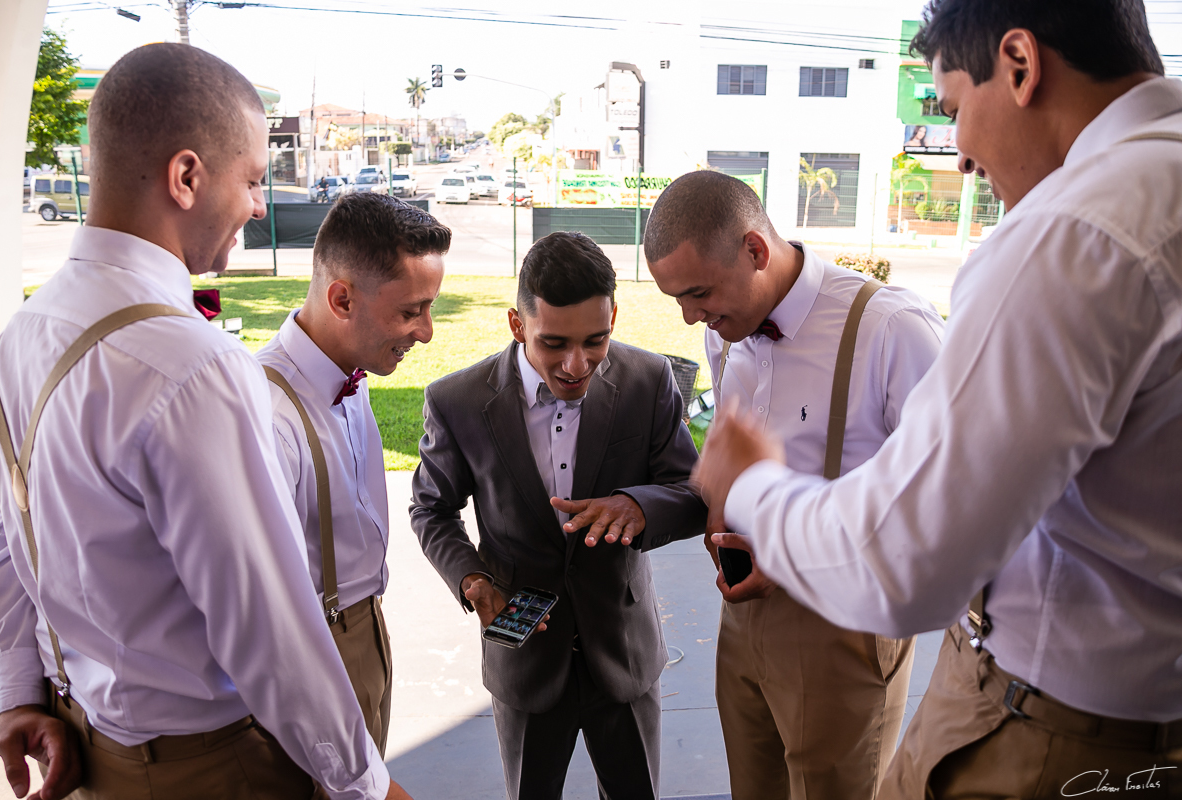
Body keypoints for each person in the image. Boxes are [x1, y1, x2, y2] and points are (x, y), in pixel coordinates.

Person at [693, 1, 1182, 797]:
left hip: (1052, 731)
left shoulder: (1074, 236)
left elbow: (899, 562)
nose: (957, 155)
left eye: (952, 108)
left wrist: (747, 484)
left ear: (1019, 64)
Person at [0, 44, 408, 800]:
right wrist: (367, 786)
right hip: (211, 767)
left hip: (87, 750)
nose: (255, 203)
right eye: (250, 178)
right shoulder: (192, 365)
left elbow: (2, 528)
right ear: (186, 178)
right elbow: (268, 628)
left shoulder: (23, 331)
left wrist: (20, 689)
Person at [644, 171, 945, 800]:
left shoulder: (889, 328)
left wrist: (793, 557)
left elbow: (941, 503)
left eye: (698, 293)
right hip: (741, 621)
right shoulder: (725, 328)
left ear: (755, 251)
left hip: (843, 626)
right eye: (678, 299)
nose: (689, 317)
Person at [409, 231, 706, 800]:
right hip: (525, 658)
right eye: (554, 344)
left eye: (596, 340)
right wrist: (472, 580)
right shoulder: (458, 401)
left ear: (615, 315)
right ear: (517, 326)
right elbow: (432, 509)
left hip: (622, 652)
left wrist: (637, 506)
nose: (577, 365)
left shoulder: (649, 381)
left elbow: (691, 491)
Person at [256, 193, 448, 758]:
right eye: (412, 311)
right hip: (312, 657)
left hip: (366, 631)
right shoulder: (268, 417)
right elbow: (266, 615)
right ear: (342, 298)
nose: (428, 331)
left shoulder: (351, 373)